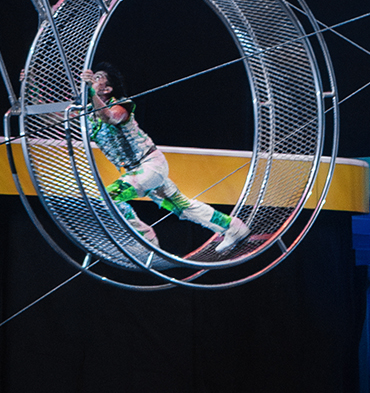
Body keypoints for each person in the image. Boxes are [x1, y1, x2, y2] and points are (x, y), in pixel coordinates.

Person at [83, 68, 249, 256]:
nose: (91, 81)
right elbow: (60, 119)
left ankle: (146, 239)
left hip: (149, 165)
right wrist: (41, 102)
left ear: (107, 89)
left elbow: (110, 117)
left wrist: (90, 91)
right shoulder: (89, 114)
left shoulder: (122, 105)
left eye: (97, 79)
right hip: (137, 170)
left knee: (108, 197)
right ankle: (233, 226)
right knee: (182, 207)